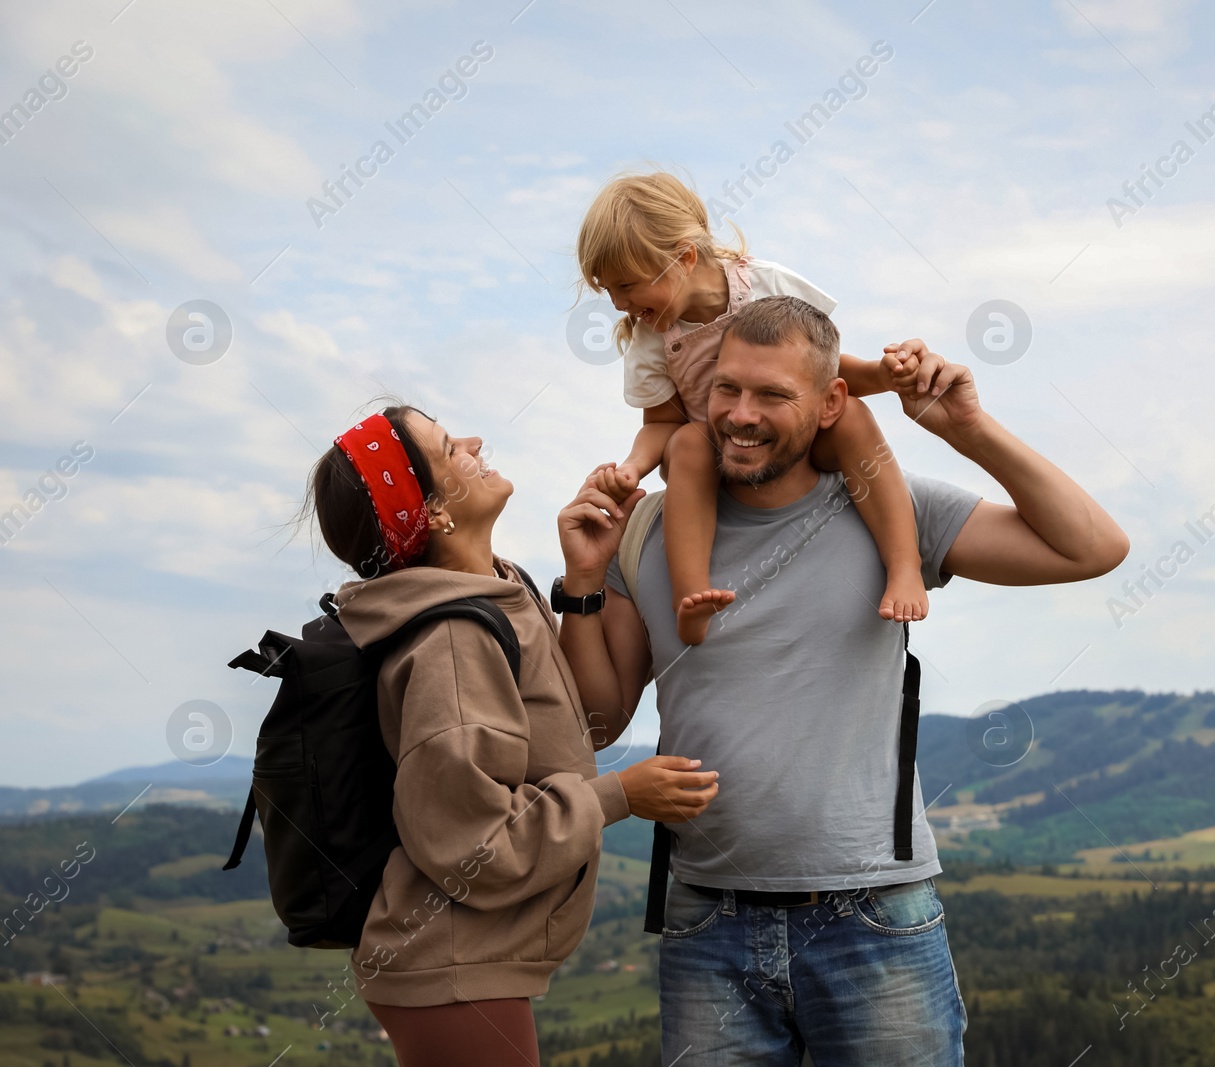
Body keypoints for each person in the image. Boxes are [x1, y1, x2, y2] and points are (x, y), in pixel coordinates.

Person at [555, 298, 1129, 1065]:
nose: (740, 414)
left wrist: (968, 430)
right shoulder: (647, 530)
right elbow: (595, 724)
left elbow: (1092, 547)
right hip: (704, 919)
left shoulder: (885, 507)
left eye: (772, 395)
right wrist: (584, 583)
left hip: (875, 918)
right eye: (726, 389)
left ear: (831, 403)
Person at [305, 405, 720, 1067]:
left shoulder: (501, 588)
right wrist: (620, 796)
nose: (473, 440)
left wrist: (583, 580)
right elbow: (478, 842)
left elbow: (578, 730)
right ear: (435, 513)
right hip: (448, 968)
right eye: (449, 449)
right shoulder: (452, 639)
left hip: (464, 963)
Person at [576, 171, 929, 644]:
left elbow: (821, 370)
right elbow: (661, 422)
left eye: (627, 285)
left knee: (852, 416)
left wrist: (883, 377)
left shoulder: (766, 284)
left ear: (682, 258)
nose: (620, 303)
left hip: (792, 442)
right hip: (722, 459)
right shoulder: (652, 340)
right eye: (610, 292)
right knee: (686, 442)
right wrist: (633, 467)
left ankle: (905, 564)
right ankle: (692, 598)